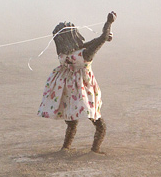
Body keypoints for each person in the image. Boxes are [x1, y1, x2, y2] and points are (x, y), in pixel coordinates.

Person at [38, 11, 117, 153]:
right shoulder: (86, 54)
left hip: (67, 91)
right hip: (83, 90)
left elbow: (86, 45)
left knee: (71, 122)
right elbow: (99, 39)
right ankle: (95, 150)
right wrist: (109, 23)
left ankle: (65, 148)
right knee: (99, 124)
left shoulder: (62, 54)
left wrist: (102, 39)